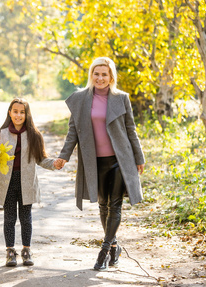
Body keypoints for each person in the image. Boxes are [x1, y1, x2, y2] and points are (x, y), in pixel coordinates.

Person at [54, 57, 145, 271]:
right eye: (97, 73)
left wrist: (139, 157)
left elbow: (130, 129)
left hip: (119, 160)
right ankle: (115, 246)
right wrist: (63, 156)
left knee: (114, 205)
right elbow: (72, 133)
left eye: (104, 74)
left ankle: (104, 250)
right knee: (103, 206)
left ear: (111, 76)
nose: (100, 78)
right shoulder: (79, 99)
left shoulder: (121, 98)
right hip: (93, 161)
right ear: (91, 75)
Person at [0, 98, 57, 267]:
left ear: (27, 114)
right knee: (9, 217)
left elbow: (41, 159)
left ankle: (26, 250)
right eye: (15, 111)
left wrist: (54, 164)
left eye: (22, 112)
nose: (18, 115)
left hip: (27, 183)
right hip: (7, 182)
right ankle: (10, 251)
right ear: (9, 113)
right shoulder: (2, 134)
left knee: (26, 218)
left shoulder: (34, 135)